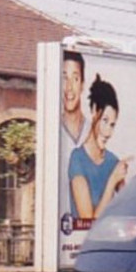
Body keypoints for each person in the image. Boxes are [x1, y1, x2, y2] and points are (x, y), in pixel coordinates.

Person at [68, 75, 130, 221]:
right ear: (95, 111)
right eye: (105, 121)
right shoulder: (78, 159)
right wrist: (112, 181)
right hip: (82, 243)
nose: (108, 131)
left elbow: (128, 210)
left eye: (112, 125)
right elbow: (88, 221)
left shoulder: (113, 161)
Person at [59, 49, 87, 221]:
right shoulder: (55, 131)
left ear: (82, 84)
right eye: (64, 78)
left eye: (75, 79)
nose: (69, 87)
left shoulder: (93, 133)